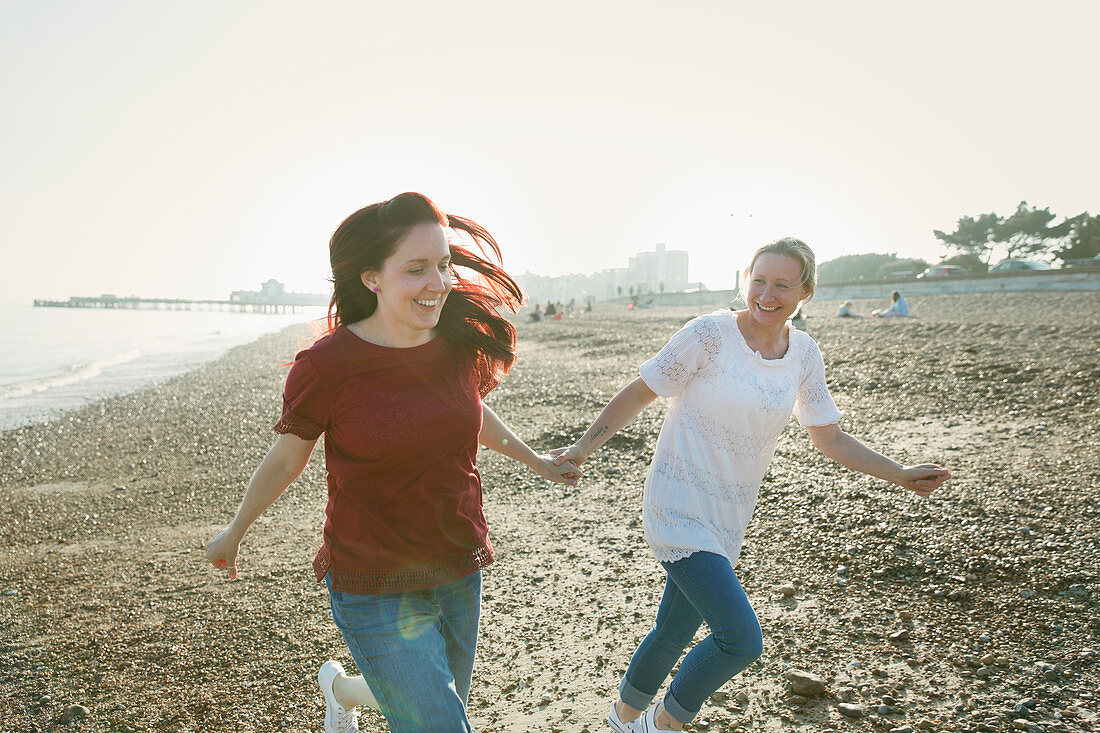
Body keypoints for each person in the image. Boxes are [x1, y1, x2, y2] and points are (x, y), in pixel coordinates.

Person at [205, 192, 580, 733]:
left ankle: (342, 691)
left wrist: (537, 461)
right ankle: (365, 687)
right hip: (372, 579)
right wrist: (235, 530)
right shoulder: (329, 366)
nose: (439, 283)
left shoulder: (454, 346)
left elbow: (472, 413)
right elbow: (286, 459)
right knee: (437, 723)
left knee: (432, 703)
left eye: (444, 265)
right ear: (371, 279)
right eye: (416, 269)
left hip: (456, 564)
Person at [551, 237, 950, 732]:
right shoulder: (709, 334)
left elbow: (830, 439)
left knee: (673, 630)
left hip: (729, 514)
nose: (766, 293)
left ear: (804, 292)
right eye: (758, 280)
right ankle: (661, 725)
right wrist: (581, 449)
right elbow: (640, 392)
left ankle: (621, 719)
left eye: (782, 284)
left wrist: (901, 474)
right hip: (677, 503)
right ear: (746, 279)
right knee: (740, 639)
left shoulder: (802, 353)